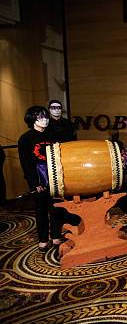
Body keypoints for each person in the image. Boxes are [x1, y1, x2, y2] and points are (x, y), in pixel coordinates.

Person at [18, 106, 62, 252]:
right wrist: (34, 183)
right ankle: (43, 239)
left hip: (55, 177)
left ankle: (56, 235)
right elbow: (25, 163)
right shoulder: (25, 139)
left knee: (56, 208)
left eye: (46, 116)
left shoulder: (53, 135)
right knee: (41, 209)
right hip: (38, 179)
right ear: (32, 119)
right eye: (40, 117)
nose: (45, 119)